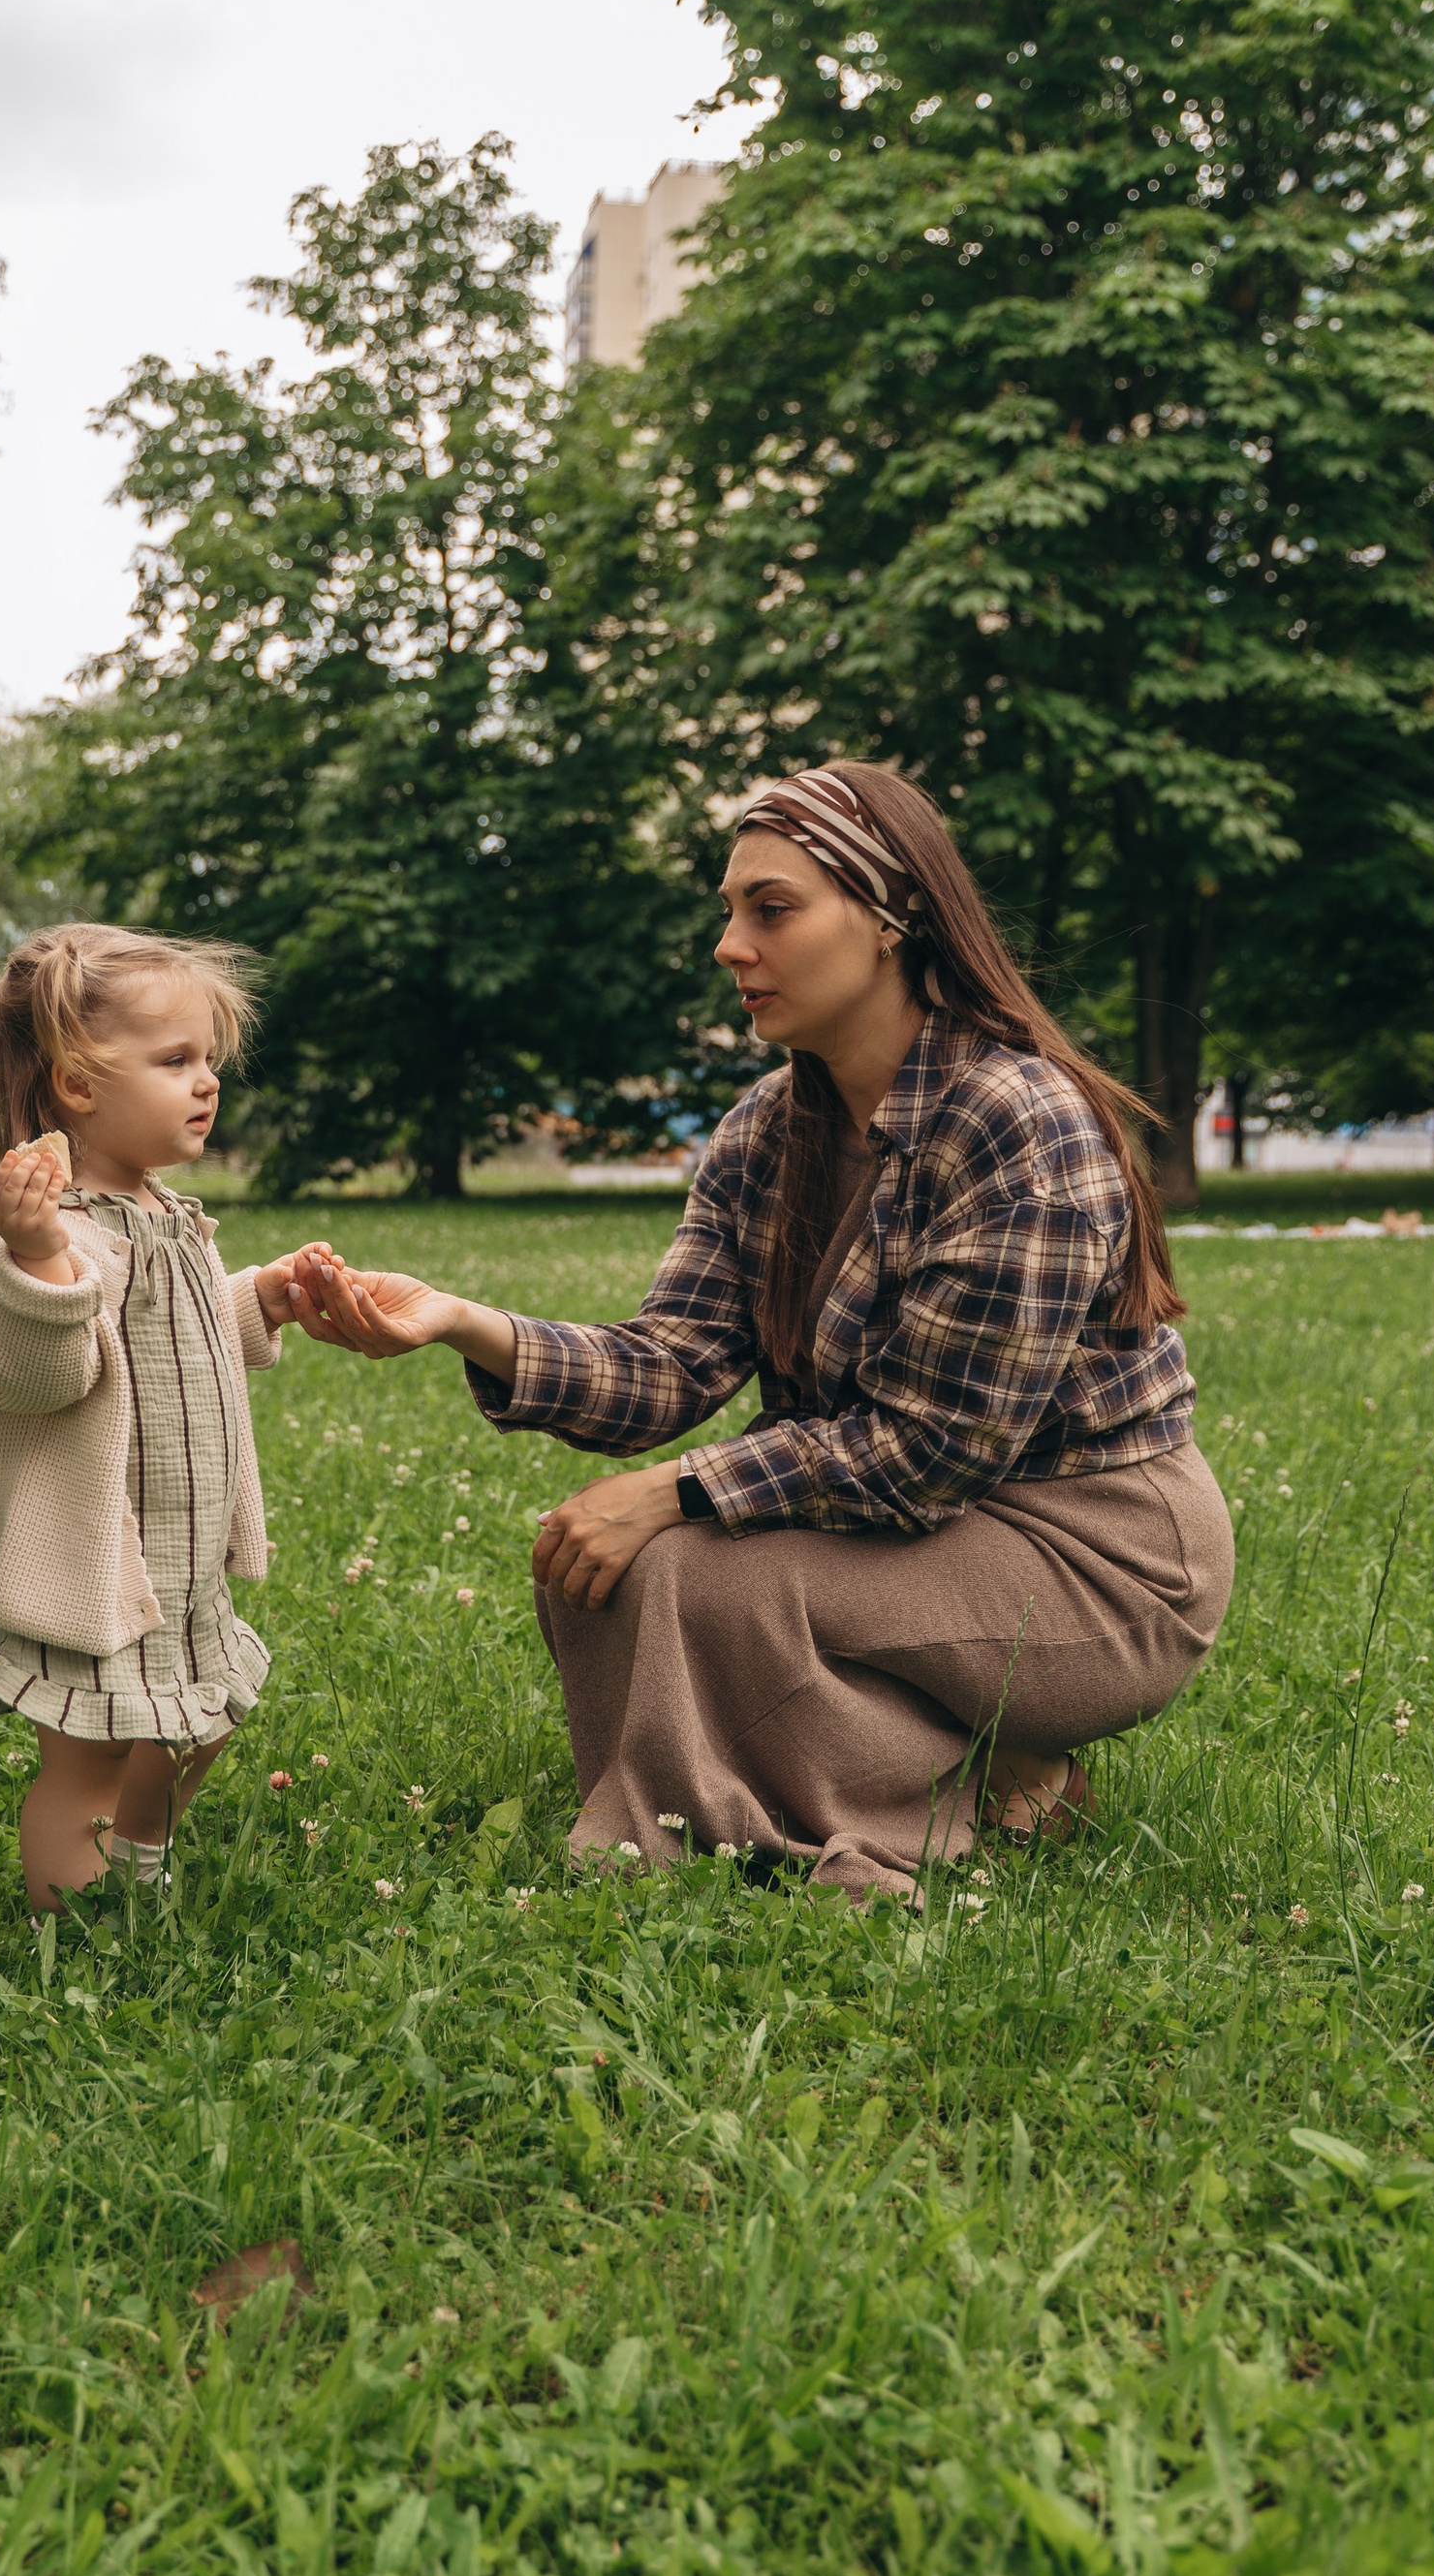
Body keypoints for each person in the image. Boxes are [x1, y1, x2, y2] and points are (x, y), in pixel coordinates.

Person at [280, 762, 1232, 1903]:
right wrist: (458, 1324)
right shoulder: (765, 1130)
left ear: (889, 918)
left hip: (1098, 1559)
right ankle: (983, 1777)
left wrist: (677, 1488)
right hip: (925, 1522)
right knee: (595, 1566)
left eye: (769, 909)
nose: (730, 944)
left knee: (699, 1579)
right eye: (729, 910)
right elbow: (670, 1367)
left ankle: (827, 1814)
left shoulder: (1015, 1120)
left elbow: (929, 1455)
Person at [0, 922, 330, 1915]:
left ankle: (139, 1845)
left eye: (210, 1062)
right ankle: (72, 1936)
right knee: (88, 1758)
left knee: (206, 1714)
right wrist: (35, 1263)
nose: (207, 1083)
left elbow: (169, 1341)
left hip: (179, 1548)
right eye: (175, 1060)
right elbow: (36, 1376)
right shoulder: (36, 1233)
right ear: (77, 1082)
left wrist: (260, 1300)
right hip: (92, 1560)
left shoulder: (166, 1213)